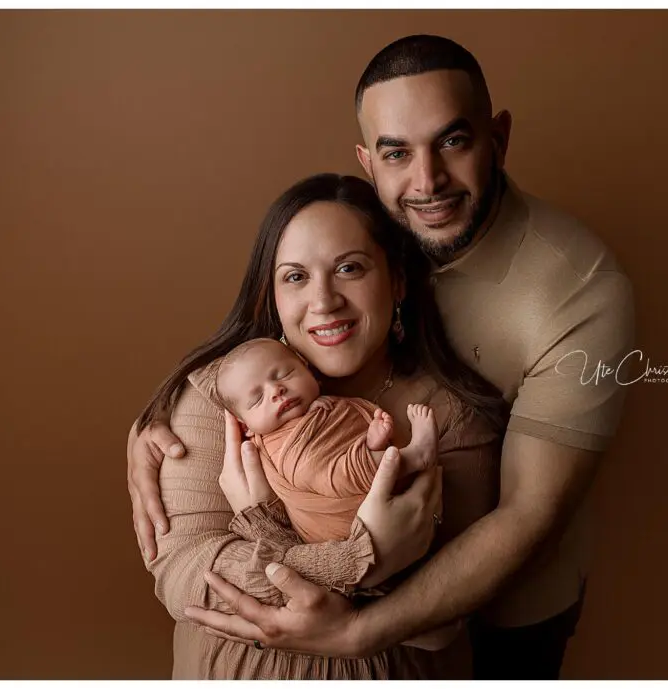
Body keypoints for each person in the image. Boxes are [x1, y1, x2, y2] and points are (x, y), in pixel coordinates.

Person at [128, 35, 635, 679]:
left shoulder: (579, 289)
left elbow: (529, 513)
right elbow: (272, 323)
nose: (427, 181)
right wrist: (163, 414)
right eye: (398, 153)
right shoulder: (374, 226)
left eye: (454, 141)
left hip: (507, 602)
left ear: (498, 139)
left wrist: (356, 626)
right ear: (370, 162)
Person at [129, 172, 506, 678]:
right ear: (273, 294)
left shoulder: (451, 419)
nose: (324, 300)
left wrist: (275, 552)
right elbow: (184, 574)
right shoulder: (216, 396)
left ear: (396, 280)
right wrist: (373, 564)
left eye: (349, 268)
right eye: (295, 276)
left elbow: (443, 620)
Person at [192, 336, 439, 543]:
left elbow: (334, 437)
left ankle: (373, 450)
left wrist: (318, 413)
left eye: (284, 374)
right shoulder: (273, 444)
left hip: (393, 514)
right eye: (257, 399)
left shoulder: (323, 407)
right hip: (340, 526)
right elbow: (312, 470)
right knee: (318, 470)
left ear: (306, 367)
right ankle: (414, 456)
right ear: (245, 425)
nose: (276, 391)